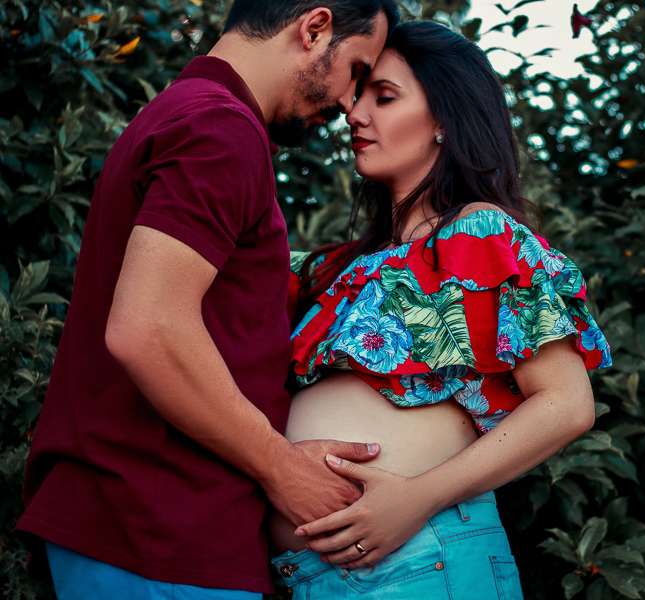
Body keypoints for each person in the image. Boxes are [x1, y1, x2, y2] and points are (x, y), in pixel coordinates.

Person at [15, 2, 399, 599]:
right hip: (158, 530)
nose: (351, 104)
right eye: (356, 70)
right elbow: (147, 328)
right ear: (314, 27)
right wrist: (282, 466)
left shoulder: (188, 115)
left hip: (153, 529)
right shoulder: (219, 131)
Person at [267, 20, 613, 598]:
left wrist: (418, 496)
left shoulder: (479, 234)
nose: (355, 114)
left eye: (384, 97)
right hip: (311, 579)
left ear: (445, 124)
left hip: (422, 558)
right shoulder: (337, 270)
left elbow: (568, 405)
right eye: (357, 96)